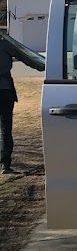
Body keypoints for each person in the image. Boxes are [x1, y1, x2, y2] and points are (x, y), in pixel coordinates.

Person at [0, 37, 17, 174]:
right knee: (6, 128)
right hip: (5, 90)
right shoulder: (5, 43)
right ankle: (5, 164)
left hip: (5, 90)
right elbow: (28, 58)